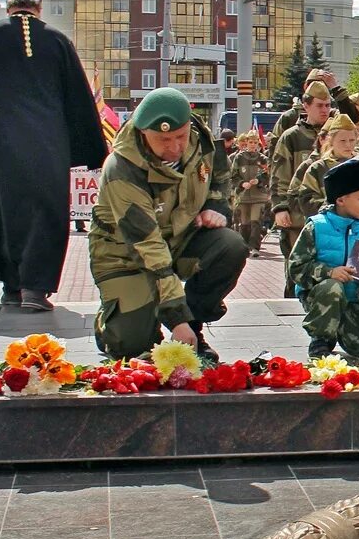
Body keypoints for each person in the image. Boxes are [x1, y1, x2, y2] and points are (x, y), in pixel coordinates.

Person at [0, 0, 107, 312]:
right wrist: (90, 148)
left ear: (9, 6)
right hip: (49, 148)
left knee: (5, 213)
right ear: (39, 6)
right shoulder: (58, 42)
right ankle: (35, 289)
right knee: (46, 214)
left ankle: (10, 287)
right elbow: (79, 99)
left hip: (4, 149)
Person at [88, 86, 246, 363]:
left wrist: (216, 206)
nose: (174, 148)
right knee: (132, 346)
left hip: (179, 240)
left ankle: (194, 329)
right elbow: (148, 247)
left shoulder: (200, 138)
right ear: (142, 131)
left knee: (230, 246)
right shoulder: (123, 168)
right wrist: (175, 319)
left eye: (179, 137)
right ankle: (110, 324)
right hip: (125, 256)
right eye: (162, 140)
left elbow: (219, 174)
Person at [287, 156, 359, 359]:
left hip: (352, 300)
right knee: (332, 287)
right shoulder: (318, 227)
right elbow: (296, 268)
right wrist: (328, 272)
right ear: (341, 199)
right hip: (321, 295)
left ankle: (341, 327)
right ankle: (321, 341)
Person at [270, 79, 335, 268]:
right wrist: (280, 207)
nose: (324, 110)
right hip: (298, 217)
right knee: (297, 270)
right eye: (319, 105)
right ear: (306, 106)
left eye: (328, 105)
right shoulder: (292, 136)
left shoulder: (337, 134)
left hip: (330, 218)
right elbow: (279, 174)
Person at [229, 130, 270, 255]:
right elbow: (233, 176)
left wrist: (259, 180)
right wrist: (241, 183)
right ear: (246, 142)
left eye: (255, 142)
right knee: (244, 223)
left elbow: (268, 175)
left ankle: (254, 247)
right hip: (243, 196)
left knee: (255, 221)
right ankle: (244, 246)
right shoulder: (239, 158)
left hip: (258, 196)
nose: (253, 145)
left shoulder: (263, 159)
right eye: (250, 142)